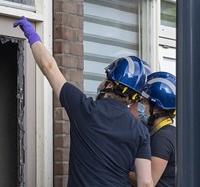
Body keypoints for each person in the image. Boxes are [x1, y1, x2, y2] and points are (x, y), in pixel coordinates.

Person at [13, 16, 153, 187]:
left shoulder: (85, 109)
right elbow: (146, 183)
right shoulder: (140, 131)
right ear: (132, 97)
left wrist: (31, 34)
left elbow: (48, 67)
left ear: (109, 84)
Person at [129, 71, 177, 186]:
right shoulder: (171, 133)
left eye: (143, 101)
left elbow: (147, 182)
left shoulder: (163, 137)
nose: (140, 105)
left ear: (156, 108)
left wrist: (118, 168)